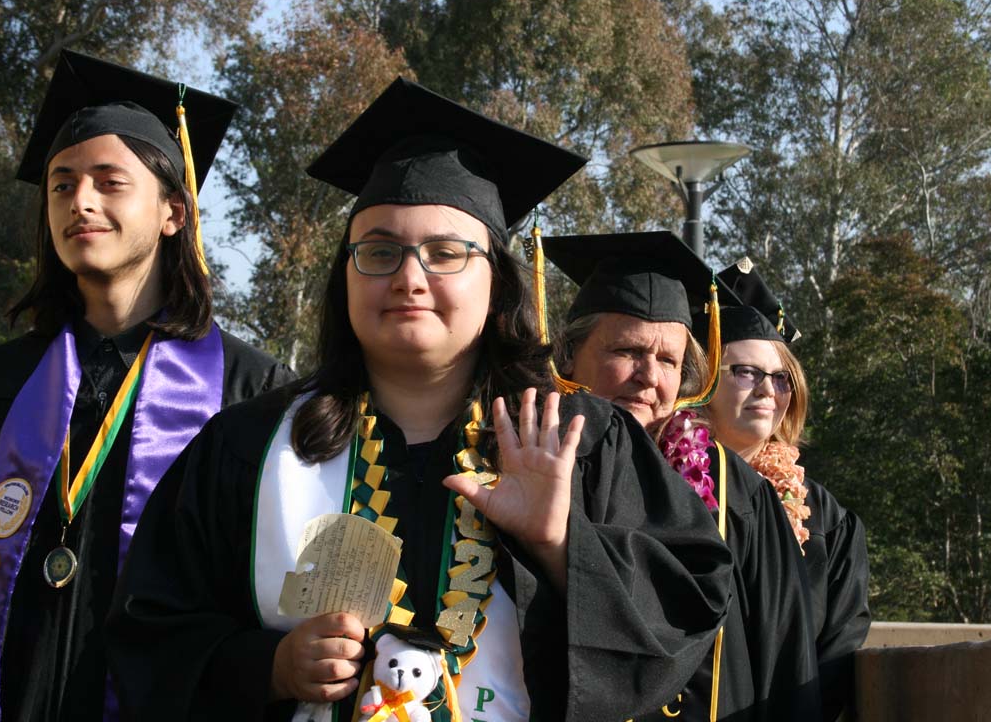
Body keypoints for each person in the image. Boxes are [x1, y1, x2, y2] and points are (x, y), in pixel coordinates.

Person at [105, 77, 735, 722]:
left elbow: (689, 606)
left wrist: (561, 543)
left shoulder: (578, 437)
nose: (410, 278)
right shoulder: (252, 443)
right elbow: (149, 630)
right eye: (379, 252)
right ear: (344, 275)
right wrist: (267, 667)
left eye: (446, 253)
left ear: (497, 280)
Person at [0, 50, 295, 722]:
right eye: (61, 184)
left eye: (110, 182)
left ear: (173, 212)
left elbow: (267, 611)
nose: (80, 201)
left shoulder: (254, 392)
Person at [543, 230, 822, 721]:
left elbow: (785, 663)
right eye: (626, 351)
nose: (649, 376)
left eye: (669, 359)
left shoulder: (740, 494)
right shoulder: (526, 461)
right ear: (568, 357)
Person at [702, 258, 870, 721]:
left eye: (781, 379)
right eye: (745, 372)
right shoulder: (659, 480)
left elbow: (837, 650)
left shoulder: (824, 518)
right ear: (702, 378)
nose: (767, 392)